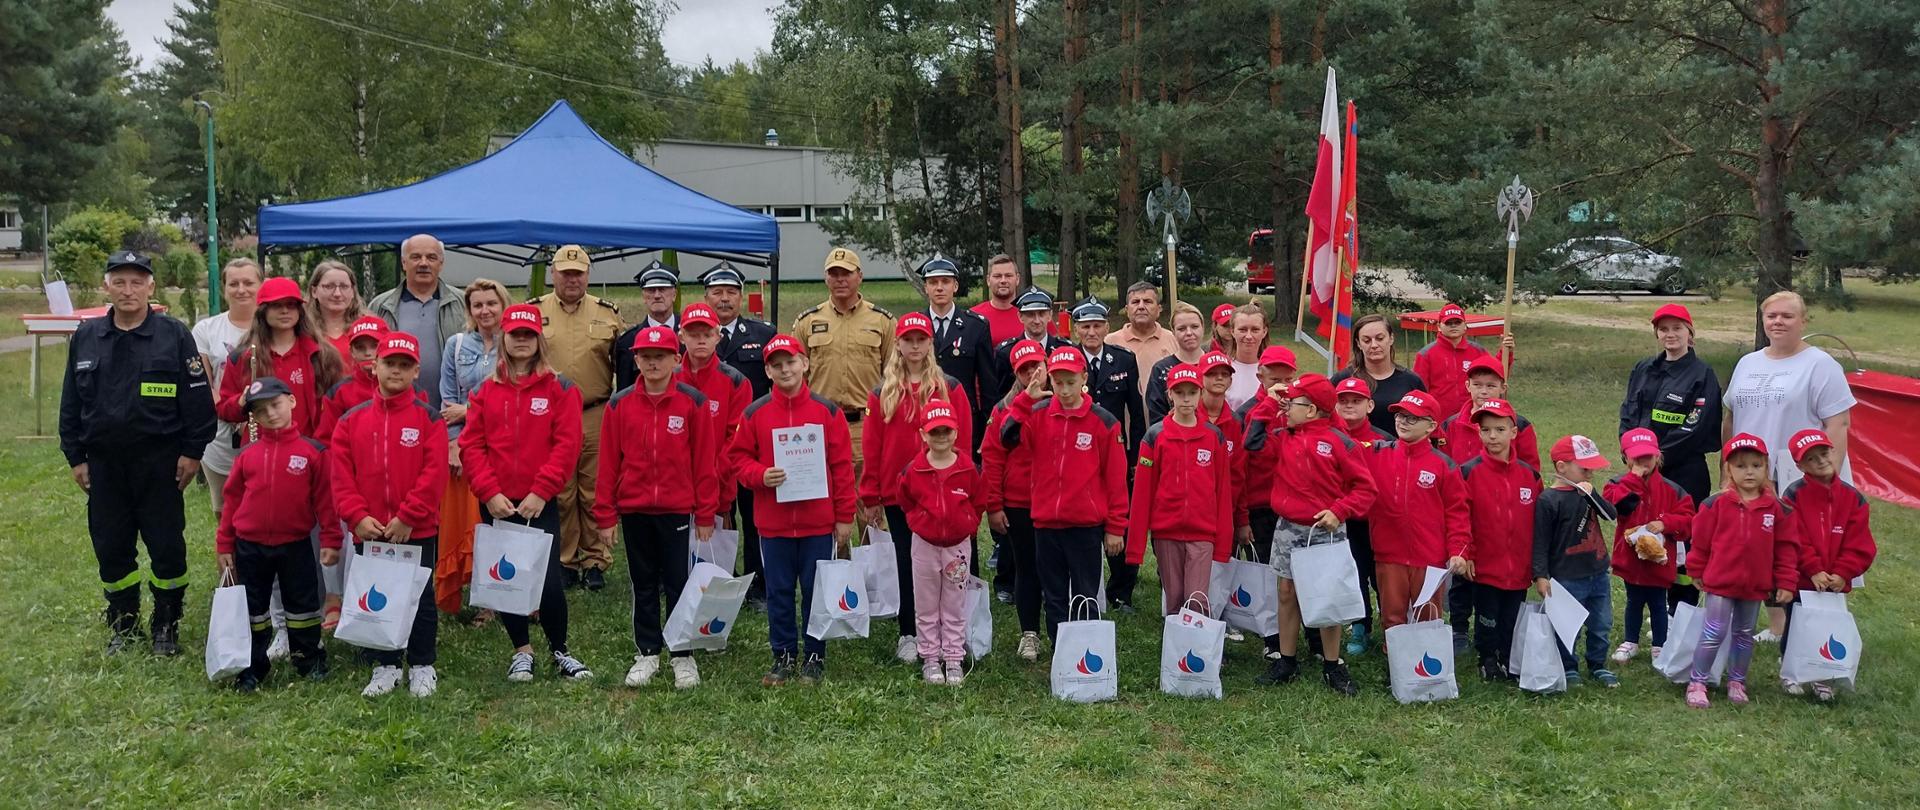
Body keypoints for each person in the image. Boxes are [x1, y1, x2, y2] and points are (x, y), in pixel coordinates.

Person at [61, 251, 216, 655]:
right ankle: (124, 626)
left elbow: (198, 403)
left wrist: (192, 452)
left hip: (161, 463)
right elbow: (70, 403)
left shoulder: (174, 335)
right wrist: (76, 456)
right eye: (120, 281)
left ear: (151, 286)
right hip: (105, 465)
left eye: (137, 282)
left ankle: (166, 624)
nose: (128, 290)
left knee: (166, 546)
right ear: (106, 286)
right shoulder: (86, 336)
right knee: (111, 547)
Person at [461, 304, 593, 683]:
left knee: (550, 581)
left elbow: (567, 445)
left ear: (539, 340)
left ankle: (560, 650)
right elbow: (472, 446)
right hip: (497, 503)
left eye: (528, 335)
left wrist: (541, 491)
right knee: (507, 583)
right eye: (514, 334)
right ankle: (522, 650)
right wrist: (488, 493)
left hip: (540, 504)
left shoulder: (560, 388)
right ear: (503, 338)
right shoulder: (486, 391)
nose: (521, 341)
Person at [1723, 291, 1853, 643]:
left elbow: (1838, 424)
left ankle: (1813, 623)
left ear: (1803, 321)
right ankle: (1777, 623)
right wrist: (1727, 472)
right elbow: (1732, 417)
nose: (1777, 322)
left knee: (1803, 546)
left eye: (1787, 316)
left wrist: (1829, 477)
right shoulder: (1748, 363)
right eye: (1771, 316)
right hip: (1752, 469)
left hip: (1801, 471)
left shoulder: (1820, 364)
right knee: (1760, 543)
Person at [728, 335, 857, 686]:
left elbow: (842, 467)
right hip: (774, 525)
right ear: (767, 370)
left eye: (791, 362)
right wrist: (760, 475)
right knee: (779, 592)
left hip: (818, 523)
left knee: (816, 592)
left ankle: (815, 655)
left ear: (805, 364)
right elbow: (737, 459)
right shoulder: (755, 413)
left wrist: (845, 516)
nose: (785, 369)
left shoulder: (826, 412)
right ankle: (783, 653)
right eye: (777, 364)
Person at [596, 326, 719, 689]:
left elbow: (704, 462)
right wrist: (606, 515)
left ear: (676, 360)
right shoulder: (619, 405)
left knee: (679, 583)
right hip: (635, 510)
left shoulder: (692, 402)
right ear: (635, 360)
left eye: (660, 357)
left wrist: (706, 513)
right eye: (645, 357)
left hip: (677, 510)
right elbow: (608, 466)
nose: (652, 363)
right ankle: (648, 652)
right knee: (643, 582)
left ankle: (682, 655)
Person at [329, 332, 449, 698]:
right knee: (376, 595)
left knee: (420, 596)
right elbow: (341, 476)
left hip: (417, 528)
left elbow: (434, 473)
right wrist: (358, 517)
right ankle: (385, 664)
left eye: (404, 365)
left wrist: (409, 516)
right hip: (371, 530)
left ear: (416, 372)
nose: (396, 371)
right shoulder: (351, 420)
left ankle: (423, 663)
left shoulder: (428, 418)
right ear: (374, 366)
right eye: (389, 363)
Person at [1242, 374, 1376, 696]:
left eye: (1294, 403)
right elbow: (1252, 440)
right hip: (1288, 528)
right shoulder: (1283, 436)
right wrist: (1269, 403)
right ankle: (1287, 660)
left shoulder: (1340, 443)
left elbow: (1366, 489)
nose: (1287, 408)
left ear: (1313, 410)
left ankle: (1333, 664)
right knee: (1286, 592)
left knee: (1326, 597)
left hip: (1324, 531)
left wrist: (1339, 511)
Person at [859, 312, 973, 665]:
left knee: (951, 566)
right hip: (900, 496)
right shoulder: (882, 392)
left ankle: (953, 633)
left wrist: (965, 483)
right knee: (910, 566)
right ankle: (910, 632)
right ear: (898, 344)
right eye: (907, 340)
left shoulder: (949, 388)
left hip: (943, 492)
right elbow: (872, 445)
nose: (914, 346)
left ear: (929, 344)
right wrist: (871, 493)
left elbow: (965, 440)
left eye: (920, 340)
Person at [998, 346, 1129, 642]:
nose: (1065, 389)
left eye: (1071, 382)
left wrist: (1116, 527)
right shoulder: (1037, 413)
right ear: (1050, 382)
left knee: (1084, 594)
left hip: (1085, 525)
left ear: (1084, 377)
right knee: (1054, 596)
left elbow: (1116, 480)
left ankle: (1087, 656)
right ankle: (1062, 658)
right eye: (1058, 383)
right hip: (1045, 523)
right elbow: (1007, 438)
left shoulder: (1104, 421)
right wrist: (1023, 402)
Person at [215, 377, 337, 691]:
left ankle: (308, 659)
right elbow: (232, 501)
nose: (271, 414)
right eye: (260, 410)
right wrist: (225, 543)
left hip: (295, 544)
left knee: (304, 606)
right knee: (254, 610)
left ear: (292, 401)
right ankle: (252, 667)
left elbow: (325, 501)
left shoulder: (313, 452)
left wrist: (330, 539)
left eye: (276, 404)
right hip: (250, 547)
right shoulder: (247, 455)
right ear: (252, 417)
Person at [1683, 434, 1801, 708]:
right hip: (1720, 583)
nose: (1749, 472)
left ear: (1766, 467)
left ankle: (1737, 681)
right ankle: (1697, 682)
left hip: (1754, 586)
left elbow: (1786, 549)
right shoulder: (1714, 505)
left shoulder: (1779, 509)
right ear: (1729, 470)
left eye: (1756, 465)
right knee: (1713, 631)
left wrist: (1785, 581)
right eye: (1741, 466)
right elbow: (1700, 543)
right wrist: (1696, 570)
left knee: (1744, 633)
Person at [533, 244, 625, 591]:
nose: (572, 279)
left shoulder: (608, 313)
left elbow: (623, 364)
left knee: (594, 488)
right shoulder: (535, 311)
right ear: (553, 273)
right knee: (560, 489)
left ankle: (596, 559)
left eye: (579, 273)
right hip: (550, 414)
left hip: (595, 411)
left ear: (587, 275)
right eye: (565, 272)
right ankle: (565, 559)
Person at [1126, 364, 1233, 615]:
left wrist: (1223, 543)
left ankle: (1199, 650)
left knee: (1196, 600)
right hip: (1167, 532)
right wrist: (1135, 547)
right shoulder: (1155, 437)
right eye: (1180, 392)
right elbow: (1142, 494)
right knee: (1174, 600)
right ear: (1169, 395)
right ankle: (1176, 653)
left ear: (1200, 394)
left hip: (1202, 532)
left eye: (1192, 393)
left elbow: (1223, 492)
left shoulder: (1213, 437)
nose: (1186, 399)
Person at [1778, 428, 1875, 701]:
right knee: (1795, 625)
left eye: (1824, 453)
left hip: (1834, 582)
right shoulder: (1793, 495)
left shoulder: (1853, 498)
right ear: (1799, 465)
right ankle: (1791, 671)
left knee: (1827, 628)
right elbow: (1793, 537)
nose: (1821, 461)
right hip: (1802, 579)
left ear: (1833, 452)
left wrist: (1842, 573)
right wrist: (1813, 569)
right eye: (1811, 458)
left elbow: (1860, 544)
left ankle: (1823, 677)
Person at [895, 400, 986, 685]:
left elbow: (979, 499)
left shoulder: (967, 469)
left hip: (957, 546)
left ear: (956, 433)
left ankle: (954, 658)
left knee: (954, 603)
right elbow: (905, 499)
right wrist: (918, 520)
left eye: (946, 431)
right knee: (925, 603)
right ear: (923, 434)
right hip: (924, 545)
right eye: (935, 432)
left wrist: (968, 522)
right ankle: (930, 658)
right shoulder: (915, 470)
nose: (941, 437)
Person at [1366, 392, 1470, 637]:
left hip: (1429, 558)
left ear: (1431, 426)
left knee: (1428, 617)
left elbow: (1458, 512)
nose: (1403, 422)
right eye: (1401, 415)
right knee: (1392, 616)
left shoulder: (1444, 465)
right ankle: (1397, 667)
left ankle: (1424, 670)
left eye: (1413, 418)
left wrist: (1458, 550)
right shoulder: (1378, 454)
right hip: (1389, 553)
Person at [436, 278, 509, 616]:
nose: (484, 310)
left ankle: (501, 598)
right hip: (466, 448)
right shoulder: (456, 344)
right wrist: (453, 446)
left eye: (491, 303)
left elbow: (513, 400)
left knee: (500, 522)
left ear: (502, 304)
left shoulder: (516, 343)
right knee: (473, 523)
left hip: (506, 446)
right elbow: (447, 399)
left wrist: (468, 409)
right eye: (477, 305)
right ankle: (478, 595)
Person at [707, 262, 777, 606]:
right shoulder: (695, 335)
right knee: (716, 514)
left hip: (752, 443)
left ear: (741, 297)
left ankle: (758, 584)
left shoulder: (763, 335)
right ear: (706, 296)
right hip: (708, 442)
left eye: (731, 292)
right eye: (717, 292)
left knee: (754, 516)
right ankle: (716, 578)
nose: (724, 299)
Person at [1457, 399, 1540, 680]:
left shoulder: (1530, 476)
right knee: (1487, 616)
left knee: (1510, 617)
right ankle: (1487, 657)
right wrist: (1466, 553)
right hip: (1485, 566)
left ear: (1514, 432)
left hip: (1518, 565)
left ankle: (1508, 656)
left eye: (1500, 429)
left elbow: (1538, 523)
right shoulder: (1469, 472)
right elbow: (1461, 516)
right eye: (1486, 430)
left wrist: (1536, 563)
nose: (1492, 436)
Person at [1071, 298, 1146, 612]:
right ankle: (1084, 586)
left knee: (1121, 521)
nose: (1091, 332)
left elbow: (1135, 413)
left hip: (1116, 453)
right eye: (1085, 326)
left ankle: (1120, 591)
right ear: (1076, 329)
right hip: (1078, 457)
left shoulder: (1123, 359)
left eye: (1097, 325)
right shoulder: (1067, 359)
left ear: (1107, 327)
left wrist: (1135, 456)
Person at [794, 247, 894, 480]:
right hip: (819, 424)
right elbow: (797, 377)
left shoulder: (882, 321)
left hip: (865, 423)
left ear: (859, 276)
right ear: (826, 277)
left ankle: (869, 519)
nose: (840, 279)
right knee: (822, 494)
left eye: (846, 273)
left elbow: (893, 377)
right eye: (834, 273)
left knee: (867, 499)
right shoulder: (807, 321)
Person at [1532, 434, 1621, 688]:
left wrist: (1593, 496)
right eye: (1585, 469)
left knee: (1601, 622)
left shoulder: (1587, 494)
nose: (1590, 475)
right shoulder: (1548, 501)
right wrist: (1540, 574)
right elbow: (1540, 541)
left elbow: (1610, 515)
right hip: (1567, 577)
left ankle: (1597, 664)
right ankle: (1568, 666)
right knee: (1566, 624)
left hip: (1598, 571)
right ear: (1562, 468)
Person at [1234, 346, 1304, 660]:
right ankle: (1272, 637)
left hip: (1297, 505)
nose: (1280, 382)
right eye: (1274, 376)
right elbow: (1241, 466)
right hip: (1262, 506)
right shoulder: (1248, 412)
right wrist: (1243, 515)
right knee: (1267, 574)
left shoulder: (1303, 408)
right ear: (1260, 375)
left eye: (1286, 376)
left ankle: (1313, 637)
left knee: (1303, 573)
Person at [1604, 428, 1696, 666]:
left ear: (1658, 456)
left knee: (1657, 602)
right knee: (1634, 600)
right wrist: (1633, 480)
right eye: (1637, 457)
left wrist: (1665, 523)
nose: (1643, 462)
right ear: (1625, 458)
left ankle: (1660, 645)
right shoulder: (1617, 484)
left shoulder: (1673, 490)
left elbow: (1688, 520)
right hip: (1631, 559)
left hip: (1660, 560)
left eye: (1648, 456)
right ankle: (1631, 641)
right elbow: (1617, 507)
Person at [215, 277, 344, 442]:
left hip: (311, 453)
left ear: (300, 311)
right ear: (263, 311)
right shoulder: (242, 357)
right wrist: (241, 401)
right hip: (261, 455)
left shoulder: (322, 355)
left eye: (291, 305)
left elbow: (337, 408)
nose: (285, 311)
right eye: (276, 305)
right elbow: (224, 411)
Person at [982, 340, 1048, 661]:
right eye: (1025, 369)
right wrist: (994, 506)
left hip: (1056, 502)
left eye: (1037, 366)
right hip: (1019, 502)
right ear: (1015, 373)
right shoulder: (1002, 410)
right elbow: (992, 459)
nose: (1032, 374)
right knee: (1027, 568)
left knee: (1055, 569)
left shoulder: (1063, 401)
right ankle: (1030, 633)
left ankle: (1065, 630)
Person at [1618, 303, 1722, 502]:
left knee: (1680, 528)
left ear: (1689, 333)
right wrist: (1629, 450)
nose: (1670, 334)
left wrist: (1655, 457)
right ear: (1657, 334)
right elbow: (1628, 412)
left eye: (1677, 328)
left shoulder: (1702, 374)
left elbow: (1696, 428)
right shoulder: (1643, 369)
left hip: (1683, 473)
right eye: (1663, 329)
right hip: (1640, 468)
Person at [674, 302, 752, 556]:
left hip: (719, 486)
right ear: (681, 336)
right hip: (674, 487)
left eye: (707, 335)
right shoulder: (669, 378)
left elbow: (736, 439)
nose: (700, 341)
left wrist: (711, 478)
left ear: (718, 337)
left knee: (714, 558)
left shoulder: (736, 381)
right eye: (693, 335)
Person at [191, 257, 261, 524]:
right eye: (234, 283)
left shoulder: (276, 325)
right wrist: (231, 412)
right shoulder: (206, 330)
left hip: (267, 432)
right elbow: (204, 384)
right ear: (224, 289)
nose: (241, 289)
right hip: (221, 435)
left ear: (260, 286)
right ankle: (229, 565)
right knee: (225, 512)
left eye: (248, 282)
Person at [367, 234, 467, 409]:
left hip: (449, 412)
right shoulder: (379, 306)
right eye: (415, 257)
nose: (423, 263)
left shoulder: (464, 303)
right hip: (393, 410)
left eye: (431, 257)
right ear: (404, 263)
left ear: (441, 264)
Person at [919, 255, 996, 455]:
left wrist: (989, 429)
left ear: (955, 286)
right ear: (926, 287)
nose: (939, 287)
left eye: (945, 281)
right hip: (923, 417)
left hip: (964, 419)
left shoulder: (976, 326)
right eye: (933, 282)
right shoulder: (916, 326)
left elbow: (988, 385)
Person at [1413, 302, 1514, 419]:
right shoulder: (1426, 354)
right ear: (1439, 327)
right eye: (1448, 323)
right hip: (1439, 423)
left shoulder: (1477, 351)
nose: (1453, 326)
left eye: (1457, 322)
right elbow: (1420, 392)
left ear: (1465, 326)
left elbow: (1497, 372)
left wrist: (1506, 351)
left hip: (1474, 418)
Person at [1439, 357, 1540, 472]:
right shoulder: (1450, 425)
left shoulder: (1519, 425)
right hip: (1462, 488)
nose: (1484, 391)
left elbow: (1530, 470)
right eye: (1477, 385)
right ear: (1468, 386)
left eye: (1491, 386)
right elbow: (1443, 467)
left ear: (1503, 388)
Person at [1332, 313, 1426, 435]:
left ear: (1391, 338)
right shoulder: (1342, 379)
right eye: (1366, 340)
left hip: (1396, 451)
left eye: (1380, 338)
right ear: (1359, 344)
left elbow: (1426, 420)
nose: (1374, 345)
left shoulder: (1411, 381)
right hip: (1352, 449)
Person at [988, 286, 1069, 406]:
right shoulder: (1005, 352)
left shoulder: (1064, 350)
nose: (1037, 320)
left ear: (1050, 315)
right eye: (1030, 315)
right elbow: (999, 398)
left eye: (1041, 314)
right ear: (1020, 317)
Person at [613, 261, 682, 391]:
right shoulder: (628, 341)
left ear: (674, 295)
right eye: (651, 290)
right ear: (644, 296)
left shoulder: (690, 334)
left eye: (662, 289)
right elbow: (624, 393)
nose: (656, 296)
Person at [1106, 282, 1179, 397]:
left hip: (1164, 414)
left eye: (1147, 301)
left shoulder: (1174, 340)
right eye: (1135, 302)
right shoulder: (1110, 342)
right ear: (1127, 309)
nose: (1141, 306)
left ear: (1159, 309)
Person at [1144, 302, 1209, 425]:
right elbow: (1156, 417)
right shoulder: (1161, 369)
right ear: (1173, 332)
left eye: (1194, 326)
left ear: (1203, 328)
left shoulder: (1215, 366)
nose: (1189, 333)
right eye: (1181, 329)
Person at [307, 260, 367, 359]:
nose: (337, 294)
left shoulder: (370, 327)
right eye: (329, 286)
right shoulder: (302, 329)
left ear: (352, 291)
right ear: (314, 291)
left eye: (344, 286)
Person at [969, 253, 1025, 344]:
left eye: (1008, 276)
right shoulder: (973, 317)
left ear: (1017, 279)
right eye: (997, 276)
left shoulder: (1033, 315)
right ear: (988, 280)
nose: (1003, 280)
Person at [1225, 303, 1270, 411]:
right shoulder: (1222, 368)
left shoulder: (1272, 370)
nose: (1249, 336)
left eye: (1255, 330)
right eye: (1243, 330)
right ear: (1232, 331)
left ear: (1264, 332)